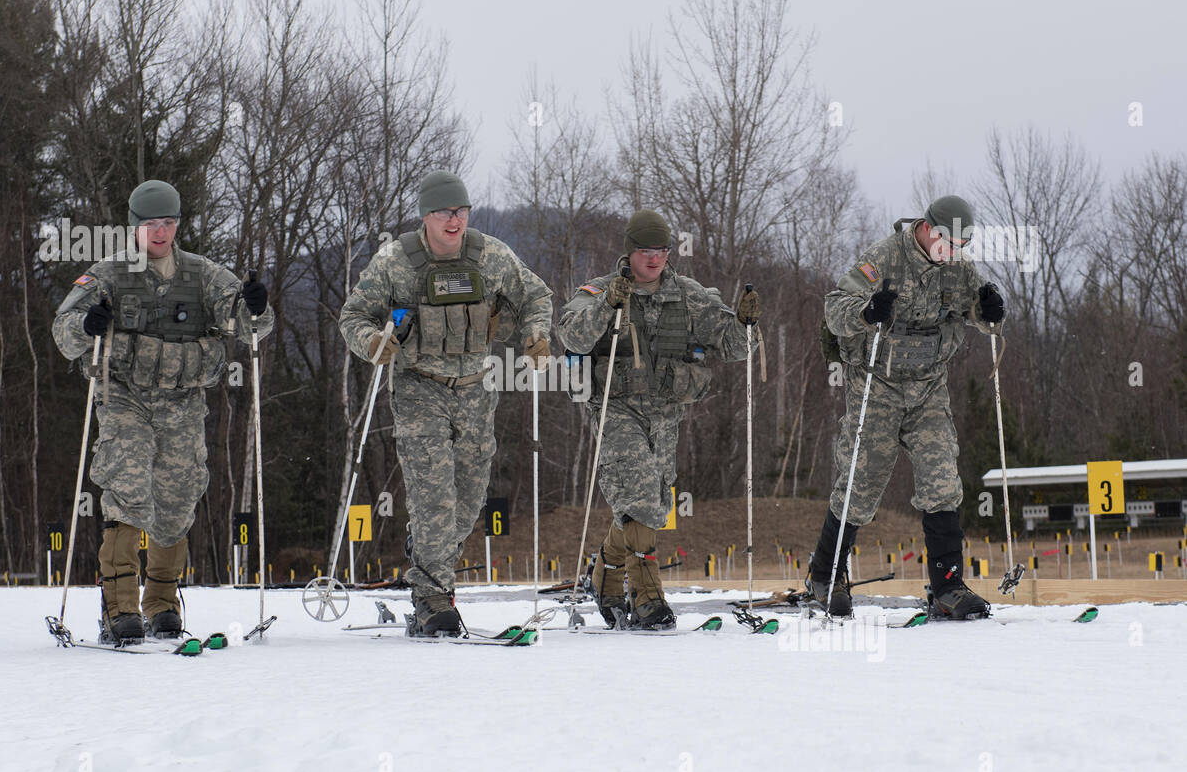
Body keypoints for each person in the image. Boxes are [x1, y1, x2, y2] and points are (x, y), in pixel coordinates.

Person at [52, 180, 273, 641]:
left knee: (176, 501)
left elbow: (250, 323)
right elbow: (64, 332)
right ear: (134, 226)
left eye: (169, 223)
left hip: (182, 402)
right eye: (152, 224)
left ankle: (162, 601)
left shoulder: (202, 274)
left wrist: (256, 306)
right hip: (125, 398)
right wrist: (87, 324)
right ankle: (119, 609)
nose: (161, 232)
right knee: (128, 491)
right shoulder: (109, 274)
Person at [338, 170, 552, 636]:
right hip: (419, 388)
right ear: (425, 216)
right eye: (443, 213)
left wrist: (536, 333)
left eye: (460, 212)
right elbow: (353, 315)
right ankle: (433, 599)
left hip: (477, 390)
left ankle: (427, 555)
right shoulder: (396, 262)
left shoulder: (490, 256)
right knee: (434, 497)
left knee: (468, 500)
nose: (453, 221)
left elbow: (535, 294)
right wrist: (372, 342)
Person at [558, 210, 761, 630]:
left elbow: (735, 347)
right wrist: (606, 306)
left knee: (649, 507)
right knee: (639, 500)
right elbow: (572, 335)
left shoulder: (688, 295)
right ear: (629, 252)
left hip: (666, 414)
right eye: (645, 251)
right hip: (616, 409)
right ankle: (648, 598)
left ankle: (605, 572)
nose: (654, 260)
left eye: (662, 251)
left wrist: (745, 323)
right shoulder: (599, 291)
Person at [810, 194, 1005, 619]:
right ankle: (825, 575)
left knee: (941, 481)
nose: (952, 254)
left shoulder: (957, 268)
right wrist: (867, 311)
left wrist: (989, 312)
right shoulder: (884, 257)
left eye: (959, 247)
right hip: (877, 386)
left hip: (928, 387)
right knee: (860, 483)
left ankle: (947, 586)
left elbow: (980, 313)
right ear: (928, 229)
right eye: (948, 244)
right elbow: (835, 308)